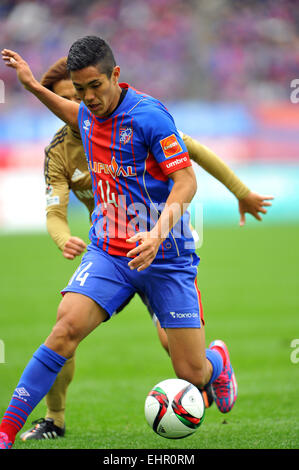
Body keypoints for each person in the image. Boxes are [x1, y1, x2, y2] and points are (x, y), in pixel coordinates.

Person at [0, 37, 273, 449]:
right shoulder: (85, 117)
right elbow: (71, 112)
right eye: (80, 89)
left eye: (95, 85)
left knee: (191, 375)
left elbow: (187, 179)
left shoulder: (150, 116)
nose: (89, 97)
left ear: (116, 75)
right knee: (63, 330)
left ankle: (216, 361)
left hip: (166, 255)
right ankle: (7, 430)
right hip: (109, 251)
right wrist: (32, 87)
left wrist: (160, 231)